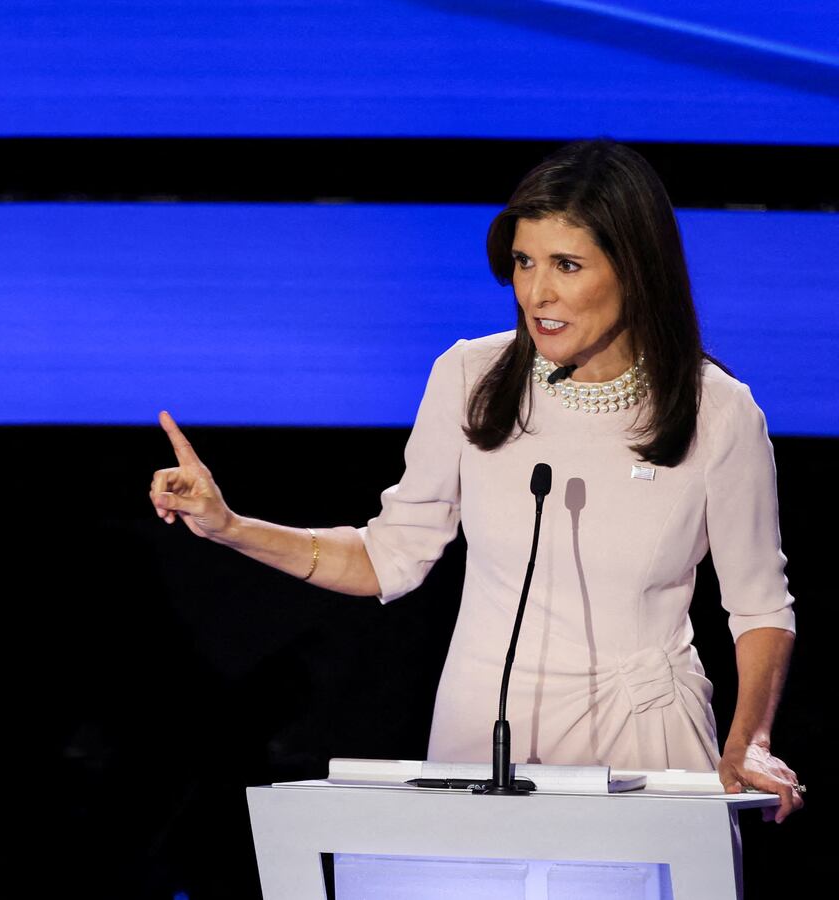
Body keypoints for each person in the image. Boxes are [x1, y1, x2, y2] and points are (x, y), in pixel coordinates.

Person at [148, 140, 802, 821]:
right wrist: (230, 528)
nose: (536, 293)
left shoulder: (718, 412)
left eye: (566, 266)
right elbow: (387, 556)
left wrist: (749, 743)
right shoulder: (470, 379)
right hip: (485, 738)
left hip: (646, 744)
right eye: (524, 262)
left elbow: (760, 608)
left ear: (635, 269)